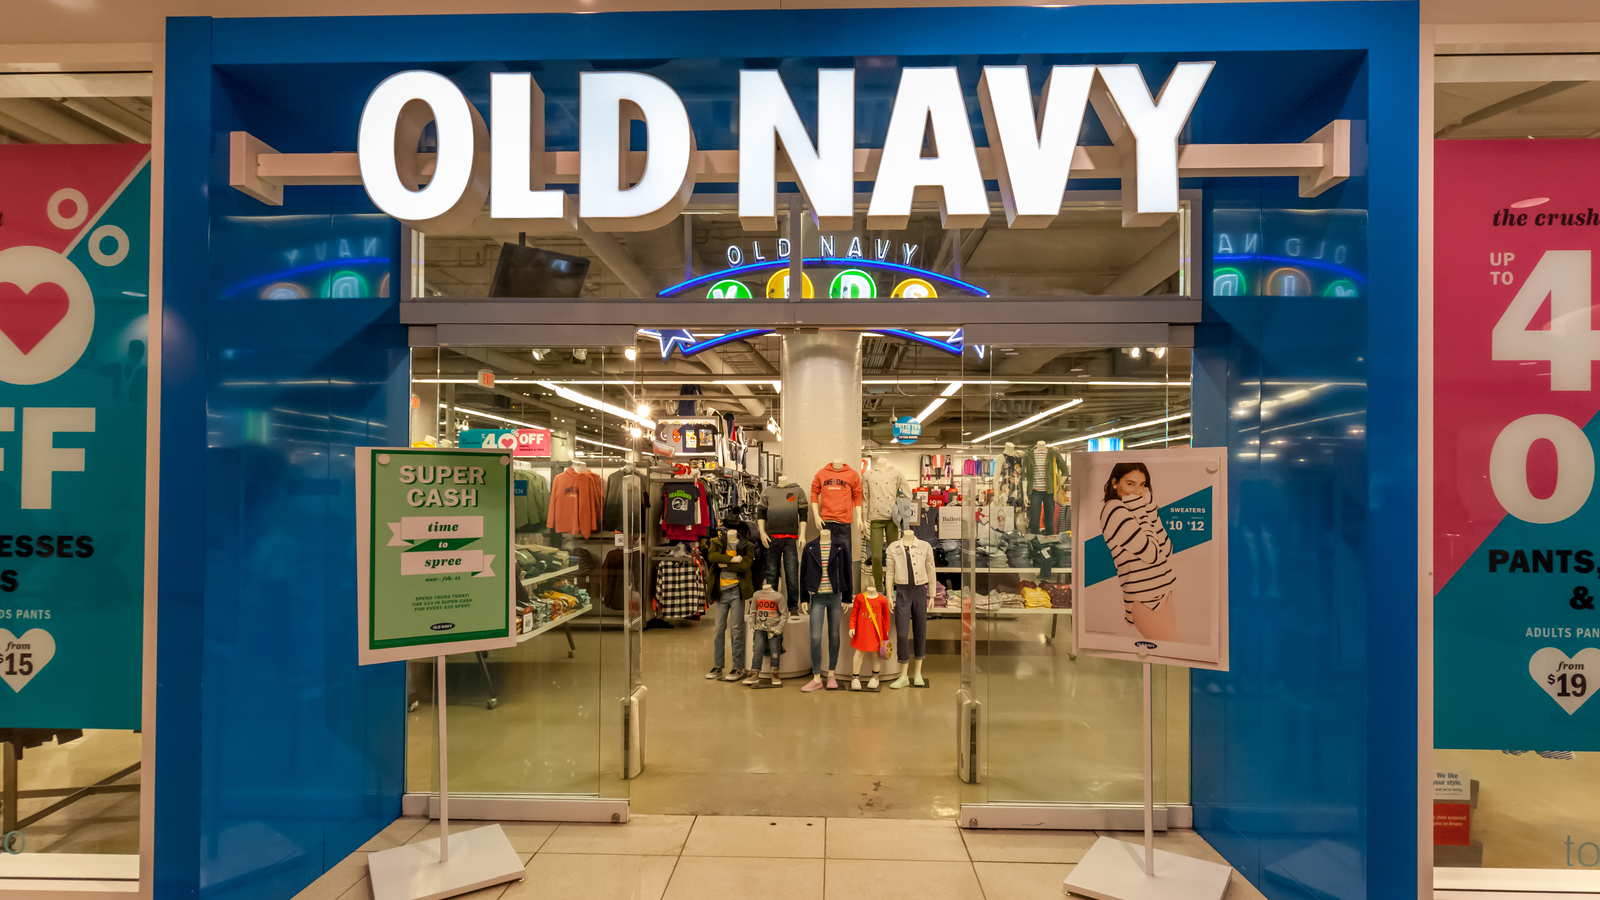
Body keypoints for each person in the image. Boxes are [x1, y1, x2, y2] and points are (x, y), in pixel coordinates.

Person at [1098, 462, 1180, 642]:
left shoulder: (1138, 509)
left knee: (1174, 649)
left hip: (1164, 592)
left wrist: (1150, 509)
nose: (1137, 491)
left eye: (1142, 485)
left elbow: (1167, 550)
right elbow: (1153, 555)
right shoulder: (1114, 509)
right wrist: (1141, 509)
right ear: (1115, 483)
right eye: (1130, 484)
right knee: (1173, 648)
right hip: (1143, 600)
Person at [706, 519, 754, 682]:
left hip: (737, 591)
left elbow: (745, 565)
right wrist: (733, 559)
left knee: (736, 630)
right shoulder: (717, 543)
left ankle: (737, 667)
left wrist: (724, 563)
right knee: (718, 629)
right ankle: (718, 666)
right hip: (721, 592)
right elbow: (712, 557)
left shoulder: (747, 546)